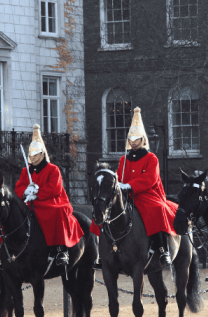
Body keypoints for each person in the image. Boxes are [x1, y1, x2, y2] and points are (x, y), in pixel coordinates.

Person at [98, 107, 178, 270]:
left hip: (148, 195)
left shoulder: (151, 158)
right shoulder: (124, 159)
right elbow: (118, 176)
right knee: (103, 210)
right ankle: (101, 252)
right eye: (131, 139)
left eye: (136, 140)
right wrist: (118, 184)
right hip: (126, 196)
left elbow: (150, 178)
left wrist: (130, 186)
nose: (133, 143)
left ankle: (163, 250)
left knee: (157, 209)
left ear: (142, 140)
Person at [15, 124, 83, 266]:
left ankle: (61, 250)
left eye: (36, 155)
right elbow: (19, 186)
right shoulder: (25, 171)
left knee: (58, 211)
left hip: (52, 200)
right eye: (31, 155)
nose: (33, 158)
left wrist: (37, 193)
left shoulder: (53, 169)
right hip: (31, 202)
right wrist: (26, 191)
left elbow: (55, 188)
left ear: (42, 154)